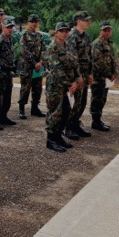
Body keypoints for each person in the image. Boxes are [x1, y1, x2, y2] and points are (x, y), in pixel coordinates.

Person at [45, 22, 82, 152]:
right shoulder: (52, 48)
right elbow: (57, 70)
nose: (64, 33)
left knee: (66, 112)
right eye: (61, 31)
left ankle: (58, 136)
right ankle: (51, 139)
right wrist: (70, 84)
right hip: (56, 85)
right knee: (55, 113)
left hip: (68, 85)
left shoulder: (69, 47)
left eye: (66, 31)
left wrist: (77, 79)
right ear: (56, 33)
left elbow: (75, 65)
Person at [66, 11, 94, 140]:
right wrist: (76, 78)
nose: (88, 22)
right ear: (78, 21)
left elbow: (89, 56)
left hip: (84, 73)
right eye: (85, 20)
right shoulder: (72, 36)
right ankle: (68, 128)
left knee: (82, 102)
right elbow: (72, 59)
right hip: (76, 75)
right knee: (74, 102)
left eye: (88, 20)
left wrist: (90, 73)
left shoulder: (86, 36)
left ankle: (76, 124)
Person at [18, 14, 46, 119]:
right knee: (25, 88)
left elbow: (44, 50)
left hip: (39, 66)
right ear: (28, 23)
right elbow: (24, 51)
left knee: (38, 88)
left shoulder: (39, 36)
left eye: (36, 22)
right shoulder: (24, 35)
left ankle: (35, 108)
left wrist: (41, 62)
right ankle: (21, 109)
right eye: (32, 22)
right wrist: (35, 63)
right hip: (27, 66)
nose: (34, 24)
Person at [90, 21, 116, 132]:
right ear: (100, 31)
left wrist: (113, 73)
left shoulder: (109, 44)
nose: (107, 32)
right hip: (98, 76)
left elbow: (112, 60)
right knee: (97, 98)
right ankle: (95, 122)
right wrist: (109, 74)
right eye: (104, 30)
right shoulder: (97, 44)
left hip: (106, 77)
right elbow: (98, 62)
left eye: (109, 30)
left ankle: (98, 120)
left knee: (103, 98)